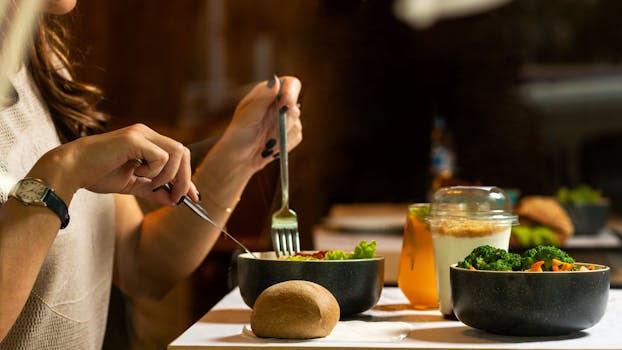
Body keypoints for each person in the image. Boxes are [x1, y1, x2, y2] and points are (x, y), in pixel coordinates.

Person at [0, 0, 303, 348]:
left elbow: (140, 264)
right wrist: (61, 173)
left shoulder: (41, 66)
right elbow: (62, 174)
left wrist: (242, 152)